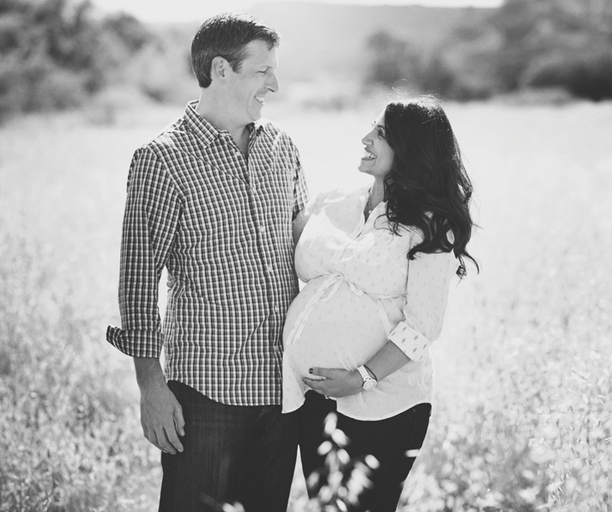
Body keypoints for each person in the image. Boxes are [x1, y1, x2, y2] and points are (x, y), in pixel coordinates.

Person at [105, 13, 308, 512]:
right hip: (205, 394)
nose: (275, 85)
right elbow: (137, 281)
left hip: (282, 391)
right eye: (263, 72)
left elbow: (310, 246)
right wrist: (151, 385)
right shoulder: (161, 159)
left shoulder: (283, 149)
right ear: (221, 70)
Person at [282, 95, 477, 512]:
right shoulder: (334, 202)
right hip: (315, 396)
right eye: (372, 127)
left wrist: (361, 377)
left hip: (385, 404)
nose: (366, 138)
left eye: (382, 133)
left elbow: (423, 326)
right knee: (328, 507)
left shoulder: (428, 225)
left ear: (410, 149)